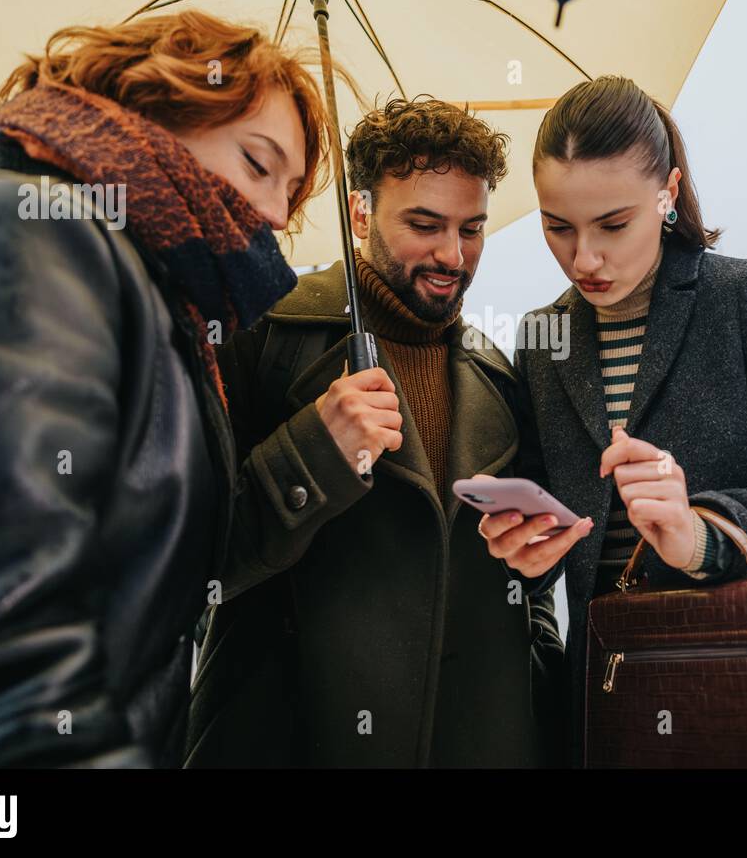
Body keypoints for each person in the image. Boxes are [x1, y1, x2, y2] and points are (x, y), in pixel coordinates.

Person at [0, 10, 331, 767]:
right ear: (155, 106)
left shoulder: (158, 310)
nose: (276, 214)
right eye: (257, 162)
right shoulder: (26, 232)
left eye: (291, 191)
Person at [478, 75, 747, 767]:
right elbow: (549, 553)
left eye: (613, 224)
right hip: (604, 710)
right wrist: (525, 556)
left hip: (740, 690)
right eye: (557, 226)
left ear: (668, 193)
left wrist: (700, 533)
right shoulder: (542, 340)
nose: (584, 259)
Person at [185, 98, 568, 768]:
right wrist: (310, 457)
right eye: (425, 224)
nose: (453, 254)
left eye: (472, 228)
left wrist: (534, 679)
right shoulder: (259, 336)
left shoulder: (502, 380)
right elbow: (185, 565)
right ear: (359, 214)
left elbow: (530, 596)